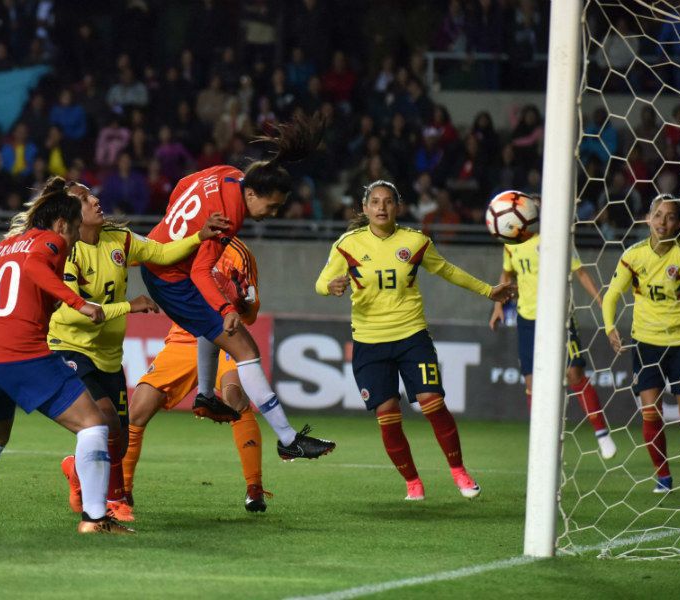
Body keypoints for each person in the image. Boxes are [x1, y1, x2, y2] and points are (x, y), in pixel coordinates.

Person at [140, 113, 335, 460]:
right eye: (271, 206)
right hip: (171, 279)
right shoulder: (230, 215)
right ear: (254, 193)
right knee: (245, 350)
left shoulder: (229, 175)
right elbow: (201, 272)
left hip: (158, 257)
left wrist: (172, 222)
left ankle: (205, 395)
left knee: (209, 326)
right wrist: (227, 309)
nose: (271, 214)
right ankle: (288, 440)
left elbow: (185, 183)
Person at [0, 179, 131, 534]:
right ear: (62, 224)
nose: (75, 237)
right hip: (23, 353)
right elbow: (33, 268)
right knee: (93, 424)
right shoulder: (50, 241)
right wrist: (80, 303)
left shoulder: (4, 247)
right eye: (75, 229)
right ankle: (95, 519)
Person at [315, 180, 517, 500]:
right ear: (365, 209)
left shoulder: (415, 241)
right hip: (369, 342)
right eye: (375, 202)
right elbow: (321, 282)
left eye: (388, 202)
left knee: (432, 402)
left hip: (411, 335)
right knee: (388, 415)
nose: (381, 207)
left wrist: (489, 291)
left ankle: (459, 471)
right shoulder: (347, 244)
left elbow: (448, 271)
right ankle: (412, 482)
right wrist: (332, 286)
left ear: (398, 207)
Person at [47, 181, 228, 523]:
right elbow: (73, 312)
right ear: (70, 212)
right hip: (69, 347)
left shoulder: (120, 240)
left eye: (92, 193)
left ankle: (76, 469)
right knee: (103, 420)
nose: (96, 200)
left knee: (118, 436)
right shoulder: (64, 252)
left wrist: (199, 237)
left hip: (109, 354)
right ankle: (112, 501)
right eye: (85, 199)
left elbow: (161, 253)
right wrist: (129, 306)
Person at [125, 237, 271, 513]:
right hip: (183, 337)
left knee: (234, 396)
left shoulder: (240, 253)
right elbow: (138, 255)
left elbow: (250, 316)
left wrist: (242, 302)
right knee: (139, 408)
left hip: (223, 336)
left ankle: (254, 488)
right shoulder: (182, 241)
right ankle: (123, 491)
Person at [489, 197, 617, 460]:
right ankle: (542, 442)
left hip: (559, 316)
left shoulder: (556, 240)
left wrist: (601, 300)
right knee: (532, 383)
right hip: (527, 319)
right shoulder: (512, 241)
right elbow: (507, 274)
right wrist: (498, 306)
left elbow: (580, 272)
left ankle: (602, 434)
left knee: (574, 373)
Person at [603, 194, 680, 493]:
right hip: (646, 343)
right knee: (650, 412)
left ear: (679, 222)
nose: (663, 222)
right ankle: (663, 476)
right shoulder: (633, 255)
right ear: (648, 219)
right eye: (658, 215)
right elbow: (612, 294)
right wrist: (610, 326)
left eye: (670, 217)